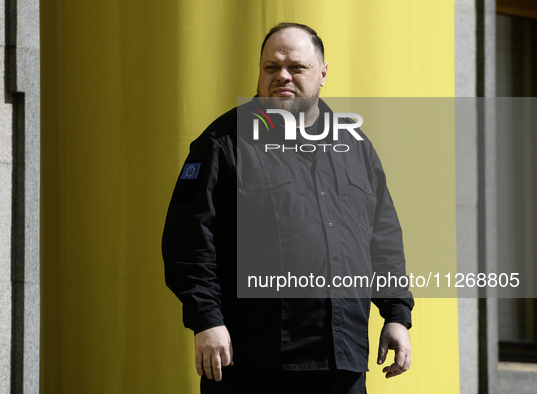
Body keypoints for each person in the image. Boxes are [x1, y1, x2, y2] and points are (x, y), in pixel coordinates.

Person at [162, 22, 414, 394]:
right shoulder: (222, 143)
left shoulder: (355, 146)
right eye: (271, 67)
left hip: (340, 359)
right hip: (254, 361)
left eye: (296, 67)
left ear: (323, 74)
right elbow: (189, 241)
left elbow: (383, 237)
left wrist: (396, 315)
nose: (282, 76)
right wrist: (206, 320)